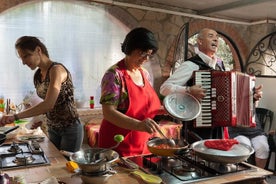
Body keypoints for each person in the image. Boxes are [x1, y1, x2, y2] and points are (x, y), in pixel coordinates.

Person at [0, 36, 83, 153]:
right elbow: (48, 105)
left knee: (66, 167)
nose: (23, 62)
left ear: (38, 50)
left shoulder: (56, 70)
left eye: (26, 56)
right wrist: (41, 120)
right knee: (55, 166)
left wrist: (15, 117)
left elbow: (48, 104)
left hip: (70, 128)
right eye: (21, 58)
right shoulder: (38, 75)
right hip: (52, 128)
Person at [98, 27, 163, 156]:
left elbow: (146, 106)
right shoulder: (114, 75)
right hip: (117, 143)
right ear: (130, 48)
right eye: (142, 53)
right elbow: (108, 112)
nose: (146, 59)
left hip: (142, 142)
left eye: (149, 55)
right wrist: (139, 125)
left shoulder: (144, 74)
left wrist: (167, 110)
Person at [160, 28, 227, 142]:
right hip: (197, 126)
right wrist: (188, 90)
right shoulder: (191, 65)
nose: (215, 39)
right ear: (200, 41)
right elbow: (164, 88)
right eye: (211, 36)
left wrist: (250, 96)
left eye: (217, 37)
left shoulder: (219, 66)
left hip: (218, 126)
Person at [228, 86, 269, 169]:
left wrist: (256, 97)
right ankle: (244, 177)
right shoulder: (227, 92)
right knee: (244, 146)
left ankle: (259, 177)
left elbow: (256, 104)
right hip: (236, 131)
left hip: (255, 130)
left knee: (263, 147)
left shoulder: (250, 85)